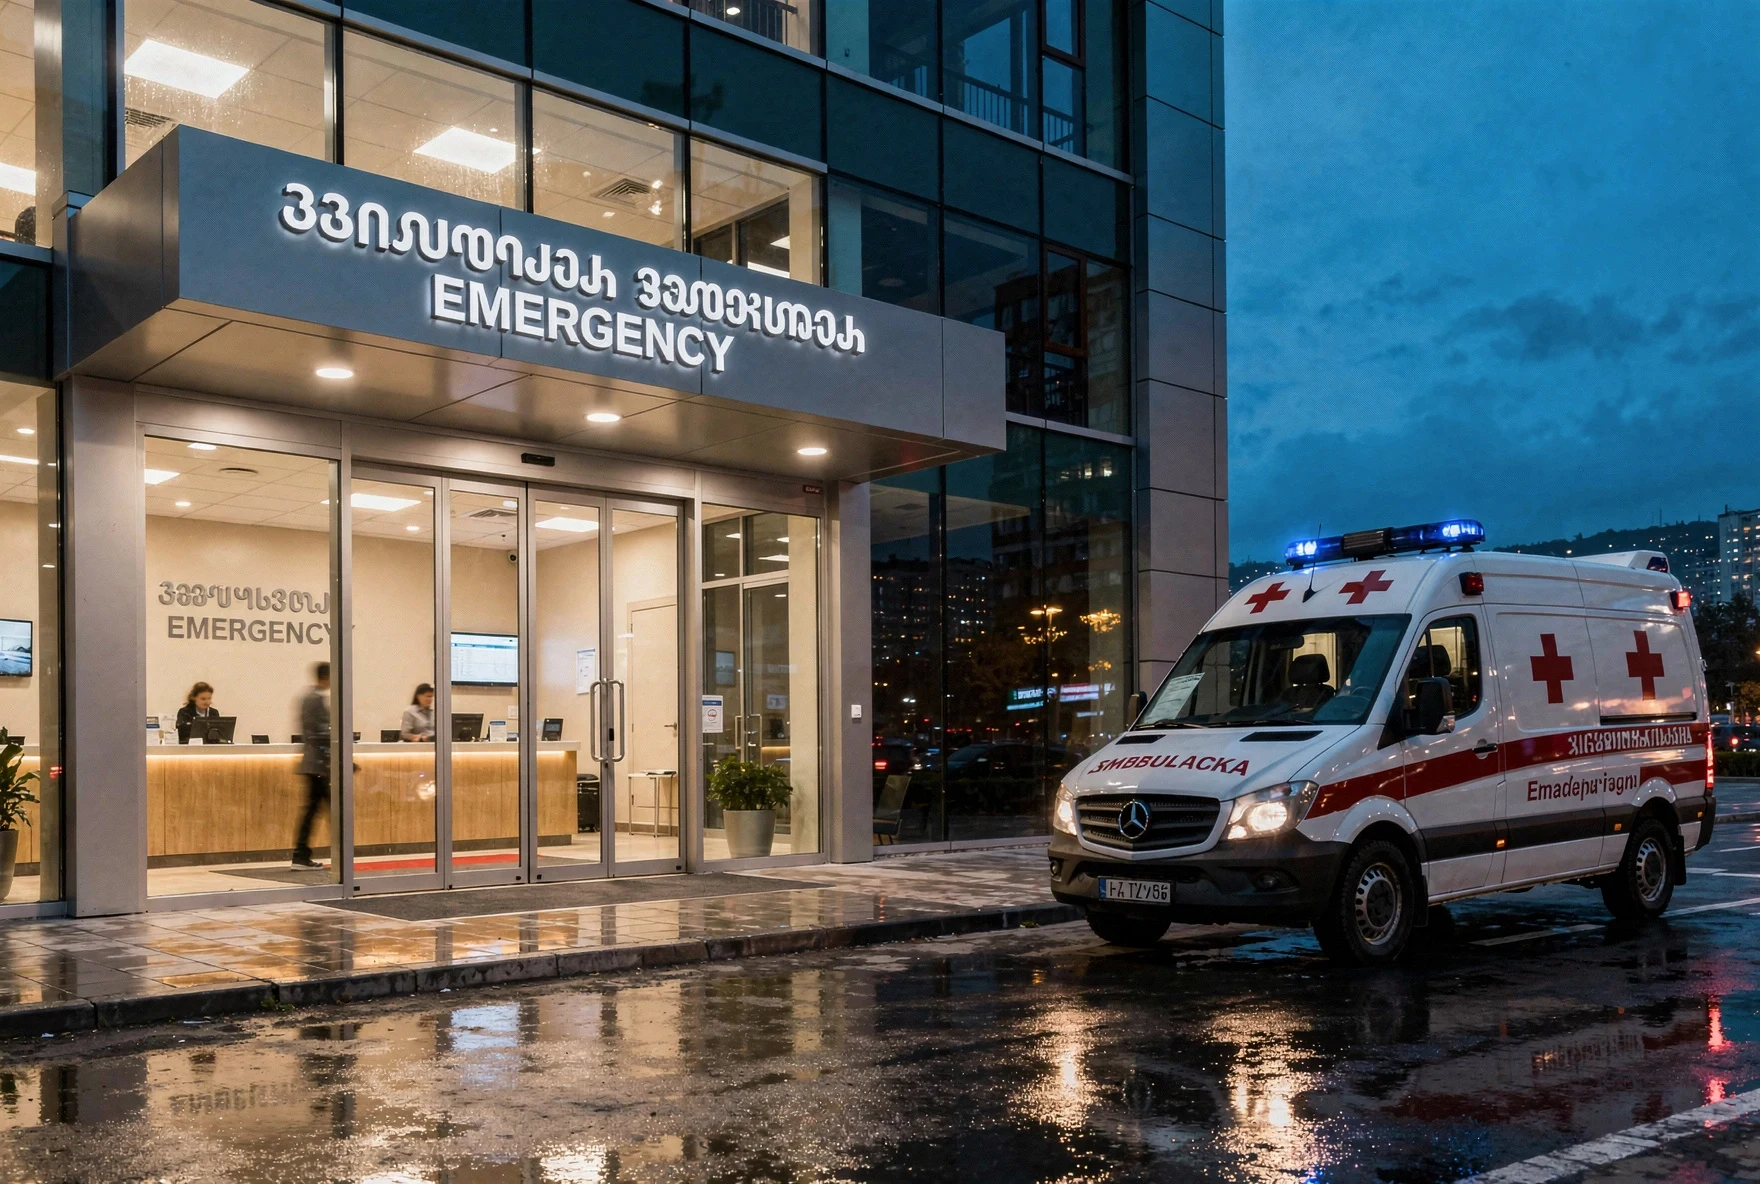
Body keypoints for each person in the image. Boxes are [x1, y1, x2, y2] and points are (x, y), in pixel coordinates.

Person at [291, 662, 332, 869]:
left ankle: (301, 854)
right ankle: (301, 854)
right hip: (318, 764)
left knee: (314, 809)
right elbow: (318, 732)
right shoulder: (314, 699)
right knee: (327, 809)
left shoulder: (311, 698)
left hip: (316, 763)